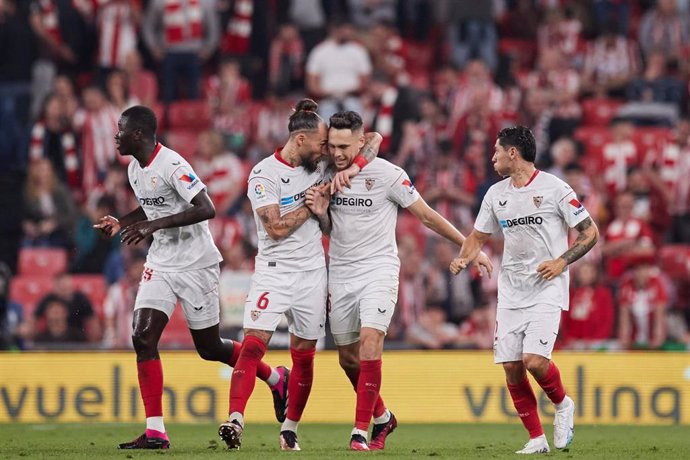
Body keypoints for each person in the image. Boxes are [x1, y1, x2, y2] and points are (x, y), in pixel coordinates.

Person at [93, 105, 288, 450]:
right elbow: (154, 207)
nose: (115, 136)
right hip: (162, 261)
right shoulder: (136, 169)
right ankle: (156, 431)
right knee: (142, 336)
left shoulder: (172, 164)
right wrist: (122, 222)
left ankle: (274, 377)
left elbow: (205, 208)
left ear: (137, 134)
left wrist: (152, 225)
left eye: (120, 130)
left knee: (209, 347)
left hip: (197, 262)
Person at [304, 111, 493, 450]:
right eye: (332, 146)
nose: (338, 153)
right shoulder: (325, 173)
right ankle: (383, 417)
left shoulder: (389, 174)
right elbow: (331, 230)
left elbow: (427, 216)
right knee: (348, 359)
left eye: (345, 146)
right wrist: (320, 215)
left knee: (371, 341)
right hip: (342, 273)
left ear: (362, 142)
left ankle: (359, 433)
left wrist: (471, 247)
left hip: (379, 269)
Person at [219, 99, 379, 451]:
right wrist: (311, 206)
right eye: (323, 143)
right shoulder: (263, 174)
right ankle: (235, 419)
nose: (328, 151)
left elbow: (375, 139)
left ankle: (289, 428)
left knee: (304, 355)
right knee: (253, 344)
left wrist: (353, 170)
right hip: (274, 273)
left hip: (311, 275)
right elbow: (275, 228)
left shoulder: (317, 165)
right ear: (302, 140)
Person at [450, 126, 599, 454]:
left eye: (497, 151)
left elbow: (590, 233)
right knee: (511, 366)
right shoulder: (495, 194)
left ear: (513, 153)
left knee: (533, 360)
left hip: (547, 286)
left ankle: (562, 405)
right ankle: (536, 438)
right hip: (511, 291)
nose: (493, 157)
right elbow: (477, 236)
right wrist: (465, 258)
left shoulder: (555, 188)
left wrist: (562, 262)